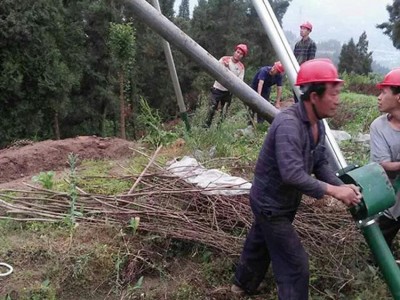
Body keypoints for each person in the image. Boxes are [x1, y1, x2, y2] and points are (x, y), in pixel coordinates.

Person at [231, 59, 362, 299]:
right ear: (314, 96)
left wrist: (342, 187)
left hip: (283, 201)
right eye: (333, 94)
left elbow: (320, 162)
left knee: (260, 242)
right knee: (295, 264)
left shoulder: (316, 124)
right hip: (270, 204)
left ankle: (242, 284)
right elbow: (291, 174)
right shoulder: (289, 124)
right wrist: (334, 192)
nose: (338, 99)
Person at [369, 68, 400, 253]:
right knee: (378, 251)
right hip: (391, 199)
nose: (379, 97)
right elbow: (383, 165)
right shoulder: (379, 127)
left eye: (384, 92)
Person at [203, 44, 247, 128]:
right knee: (211, 109)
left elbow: (239, 82)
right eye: (238, 52)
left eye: (241, 54)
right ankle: (206, 127)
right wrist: (225, 68)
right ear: (235, 51)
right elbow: (216, 71)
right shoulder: (224, 59)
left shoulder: (241, 67)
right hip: (217, 89)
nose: (238, 55)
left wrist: (228, 70)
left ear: (242, 56)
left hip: (228, 92)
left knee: (223, 112)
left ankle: (219, 129)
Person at [293, 21, 317, 103]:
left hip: (305, 73)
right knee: (295, 91)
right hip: (296, 71)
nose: (301, 30)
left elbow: (311, 60)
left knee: (303, 92)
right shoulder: (297, 44)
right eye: (301, 28)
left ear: (309, 31)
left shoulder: (312, 44)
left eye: (304, 29)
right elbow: (294, 57)